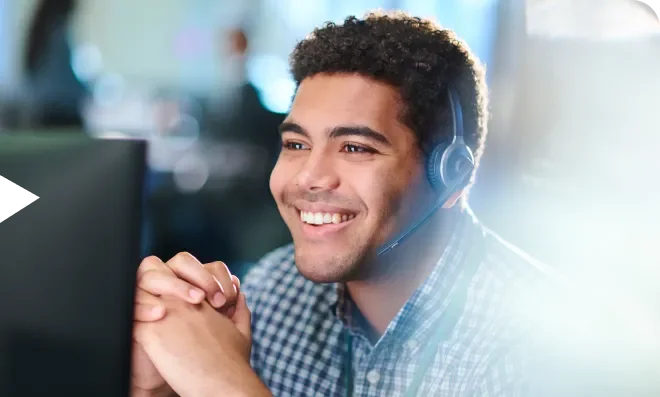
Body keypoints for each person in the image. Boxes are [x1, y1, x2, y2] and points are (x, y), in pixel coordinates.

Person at [127, 11, 599, 397]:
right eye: (295, 144)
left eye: (355, 148)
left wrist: (224, 385)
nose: (308, 177)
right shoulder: (271, 291)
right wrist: (157, 390)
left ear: (452, 174)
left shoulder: (540, 352)